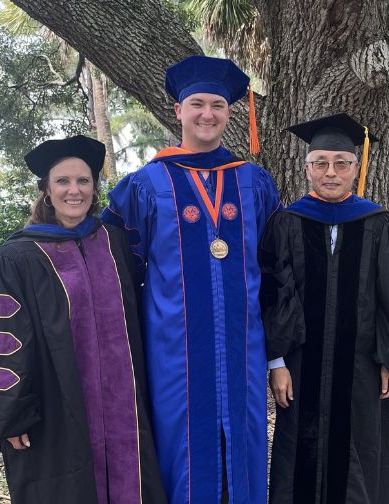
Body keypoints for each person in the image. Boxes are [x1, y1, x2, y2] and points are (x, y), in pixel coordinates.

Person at [101, 55, 282, 503]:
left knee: (242, 451)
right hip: (172, 356)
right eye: (196, 103)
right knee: (178, 455)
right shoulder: (145, 185)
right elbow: (117, 274)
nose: (207, 114)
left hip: (244, 352)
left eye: (217, 105)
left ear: (229, 113)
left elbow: (278, 272)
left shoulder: (254, 184)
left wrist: (278, 356)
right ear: (178, 111)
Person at [0, 135, 166, 504]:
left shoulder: (114, 245)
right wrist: (11, 417)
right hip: (55, 410)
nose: (74, 190)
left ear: (95, 188)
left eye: (83, 180)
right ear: (46, 191)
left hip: (124, 407)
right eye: (63, 181)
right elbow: (0, 342)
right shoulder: (16, 258)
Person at [261, 113, 389, 504]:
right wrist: (276, 363)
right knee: (296, 457)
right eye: (320, 163)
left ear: (355, 168)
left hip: (363, 367)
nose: (330, 172)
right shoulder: (286, 223)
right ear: (306, 169)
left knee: (360, 457)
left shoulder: (377, 222)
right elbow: (271, 294)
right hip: (300, 368)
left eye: (341, 163)